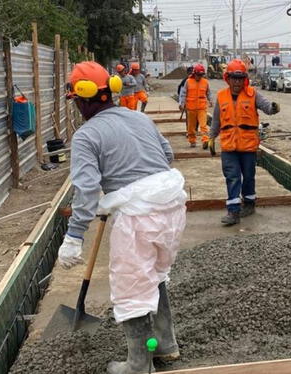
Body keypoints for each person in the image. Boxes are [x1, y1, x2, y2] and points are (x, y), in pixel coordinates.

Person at [58, 61, 187, 373]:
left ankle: (139, 365)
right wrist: (121, 185)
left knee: (131, 284)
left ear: (84, 99)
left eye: (76, 101)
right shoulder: (136, 117)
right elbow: (166, 155)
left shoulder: (87, 136)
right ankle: (166, 345)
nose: (76, 107)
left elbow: (86, 191)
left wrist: (74, 237)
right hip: (172, 206)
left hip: (140, 216)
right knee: (154, 275)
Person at [209, 59, 279, 225]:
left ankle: (249, 203)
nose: (237, 82)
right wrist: (211, 137)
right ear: (228, 78)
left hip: (248, 146)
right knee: (232, 177)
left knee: (248, 176)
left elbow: (266, 106)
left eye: (240, 79)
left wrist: (274, 108)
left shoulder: (252, 94)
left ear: (244, 79)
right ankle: (233, 212)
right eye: (234, 78)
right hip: (229, 146)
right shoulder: (221, 96)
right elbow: (216, 121)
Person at [178, 63, 212, 148]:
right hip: (191, 108)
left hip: (202, 108)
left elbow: (208, 93)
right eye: (198, 75)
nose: (199, 77)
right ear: (194, 73)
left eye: (201, 75)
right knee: (191, 127)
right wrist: (181, 104)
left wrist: (211, 100)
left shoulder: (205, 82)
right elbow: (183, 94)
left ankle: (205, 141)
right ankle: (192, 141)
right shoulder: (188, 82)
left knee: (203, 125)